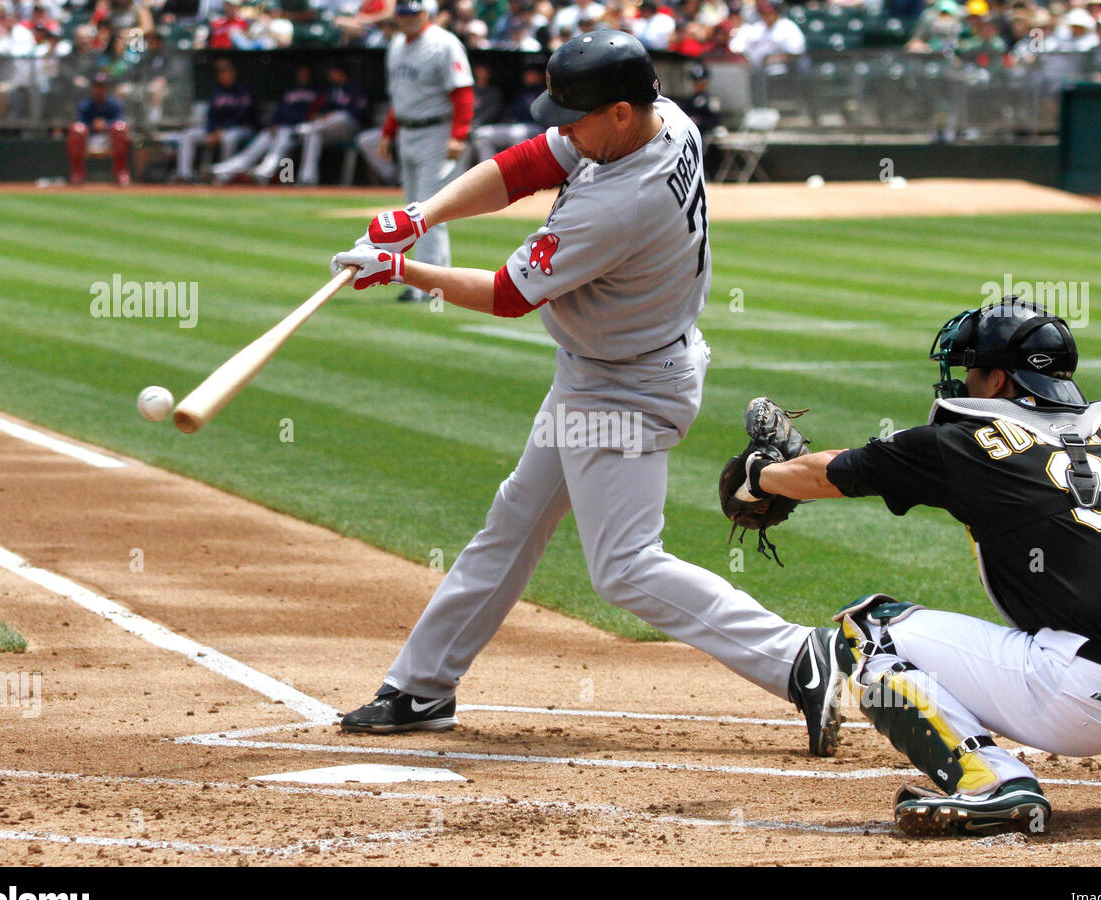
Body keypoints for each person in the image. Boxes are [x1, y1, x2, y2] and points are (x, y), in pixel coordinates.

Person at [330, 31, 843, 758]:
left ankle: (798, 659)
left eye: (576, 118)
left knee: (626, 566)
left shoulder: (619, 203)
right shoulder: (665, 124)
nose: (563, 129)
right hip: (605, 369)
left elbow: (508, 295)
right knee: (514, 522)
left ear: (624, 112)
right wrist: (423, 216)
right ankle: (421, 687)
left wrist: (404, 270)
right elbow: (531, 162)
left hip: (626, 389)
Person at [726, 299, 1101, 835]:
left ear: (999, 380)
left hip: (1081, 701)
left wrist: (759, 476)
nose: (959, 384)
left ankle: (994, 784)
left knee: (868, 631)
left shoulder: (966, 443)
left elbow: (830, 474)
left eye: (970, 370)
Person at [358, 0, 474, 300]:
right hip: (407, 131)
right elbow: (401, 97)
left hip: (437, 131)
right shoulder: (396, 44)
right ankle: (434, 283)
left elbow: (462, 92)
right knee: (414, 209)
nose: (408, 19)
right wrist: (388, 133)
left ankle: (426, 286)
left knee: (428, 211)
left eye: (414, 14)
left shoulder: (444, 43)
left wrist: (458, 135)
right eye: (403, 14)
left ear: (427, 14)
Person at [211, 63, 319, 184]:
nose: (302, 76)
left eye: (305, 74)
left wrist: (290, 123)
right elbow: (280, 109)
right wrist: (274, 123)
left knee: (280, 145)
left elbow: (312, 114)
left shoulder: (316, 91)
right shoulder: (290, 90)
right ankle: (224, 171)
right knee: (253, 150)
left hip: (297, 129)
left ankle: (263, 172)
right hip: (279, 127)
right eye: (300, 74)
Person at [169, 57, 256, 181]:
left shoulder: (244, 90)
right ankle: (184, 174)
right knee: (189, 134)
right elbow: (211, 115)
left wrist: (221, 131)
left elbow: (243, 116)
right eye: (220, 73)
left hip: (241, 128)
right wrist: (211, 131)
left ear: (233, 73)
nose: (223, 75)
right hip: (217, 129)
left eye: (226, 72)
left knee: (229, 138)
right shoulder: (217, 90)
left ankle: (224, 175)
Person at [295, 61, 368, 185]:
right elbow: (321, 111)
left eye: (332, 72)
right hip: (330, 130)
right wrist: (324, 116)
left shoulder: (356, 87)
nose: (330, 75)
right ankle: (307, 178)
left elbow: (359, 113)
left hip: (351, 127)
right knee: (313, 136)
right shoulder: (331, 90)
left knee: (342, 116)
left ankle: (309, 128)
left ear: (340, 72)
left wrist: (331, 115)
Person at [66, 72, 130, 184]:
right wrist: (92, 125)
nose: (100, 90)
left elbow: (119, 120)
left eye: (103, 86)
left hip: (109, 138)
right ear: (93, 88)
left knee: (120, 128)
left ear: (107, 88)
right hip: (88, 139)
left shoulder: (115, 104)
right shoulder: (85, 105)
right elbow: (80, 122)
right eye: (97, 86)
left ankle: (120, 172)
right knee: (76, 129)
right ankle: (77, 172)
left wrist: (106, 125)